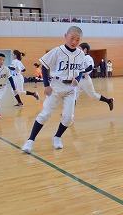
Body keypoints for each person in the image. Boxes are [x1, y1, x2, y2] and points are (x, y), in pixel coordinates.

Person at [21, 26, 85, 154]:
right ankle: (30, 141)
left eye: (77, 40)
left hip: (71, 89)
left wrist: (77, 79)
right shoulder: (57, 51)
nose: (74, 42)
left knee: (68, 118)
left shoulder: (80, 54)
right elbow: (44, 67)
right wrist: (46, 85)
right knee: (45, 114)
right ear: (65, 36)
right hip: (56, 85)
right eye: (72, 38)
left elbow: (80, 71)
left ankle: (57, 137)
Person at [75, 43, 114, 111]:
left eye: (79, 49)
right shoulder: (79, 58)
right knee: (73, 95)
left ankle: (108, 101)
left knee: (93, 96)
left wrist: (81, 71)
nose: (78, 50)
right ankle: (68, 113)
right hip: (79, 80)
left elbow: (90, 67)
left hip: (85, 80)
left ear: (85, 50)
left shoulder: (88, 57)